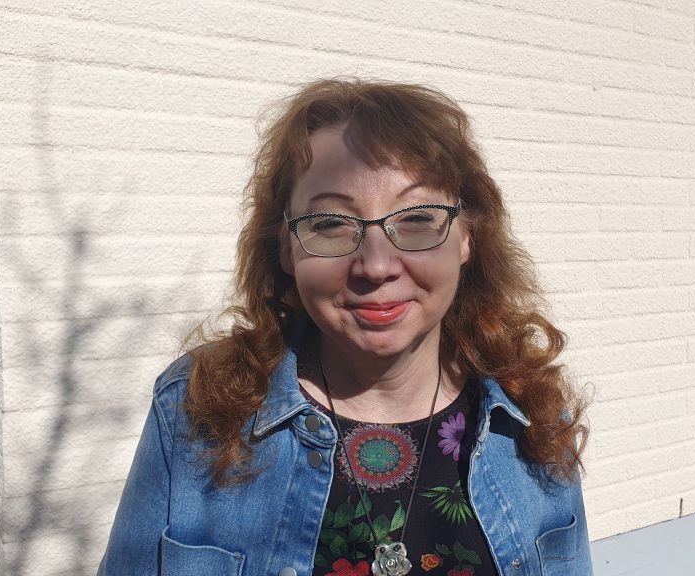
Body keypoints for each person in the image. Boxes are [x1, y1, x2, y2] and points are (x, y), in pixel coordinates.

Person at [97, 78, 592, 576]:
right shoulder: (198, 412)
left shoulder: (533, 415)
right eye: (331, 223)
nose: (376, 266)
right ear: (286, 247)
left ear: (467, 236)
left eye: (417, 218)